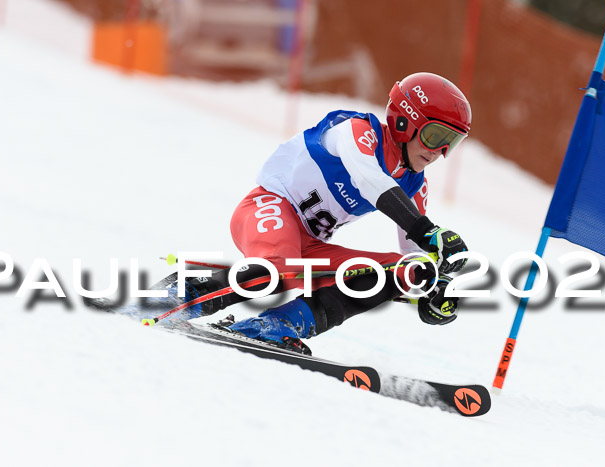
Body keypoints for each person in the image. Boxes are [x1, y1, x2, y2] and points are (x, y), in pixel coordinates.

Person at [167, 72, 471, 353]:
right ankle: (179, 295)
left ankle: (278, 323)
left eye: (450, 144)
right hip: (270, 205)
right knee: (281, 268)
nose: (438, 153)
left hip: (309, 243)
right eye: (435, 137)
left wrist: (436, 288)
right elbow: (371, 181)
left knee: (401, 270)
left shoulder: (415, 184)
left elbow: (414, 251)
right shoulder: (358, 132)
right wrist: (428, 230)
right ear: (405, 122)